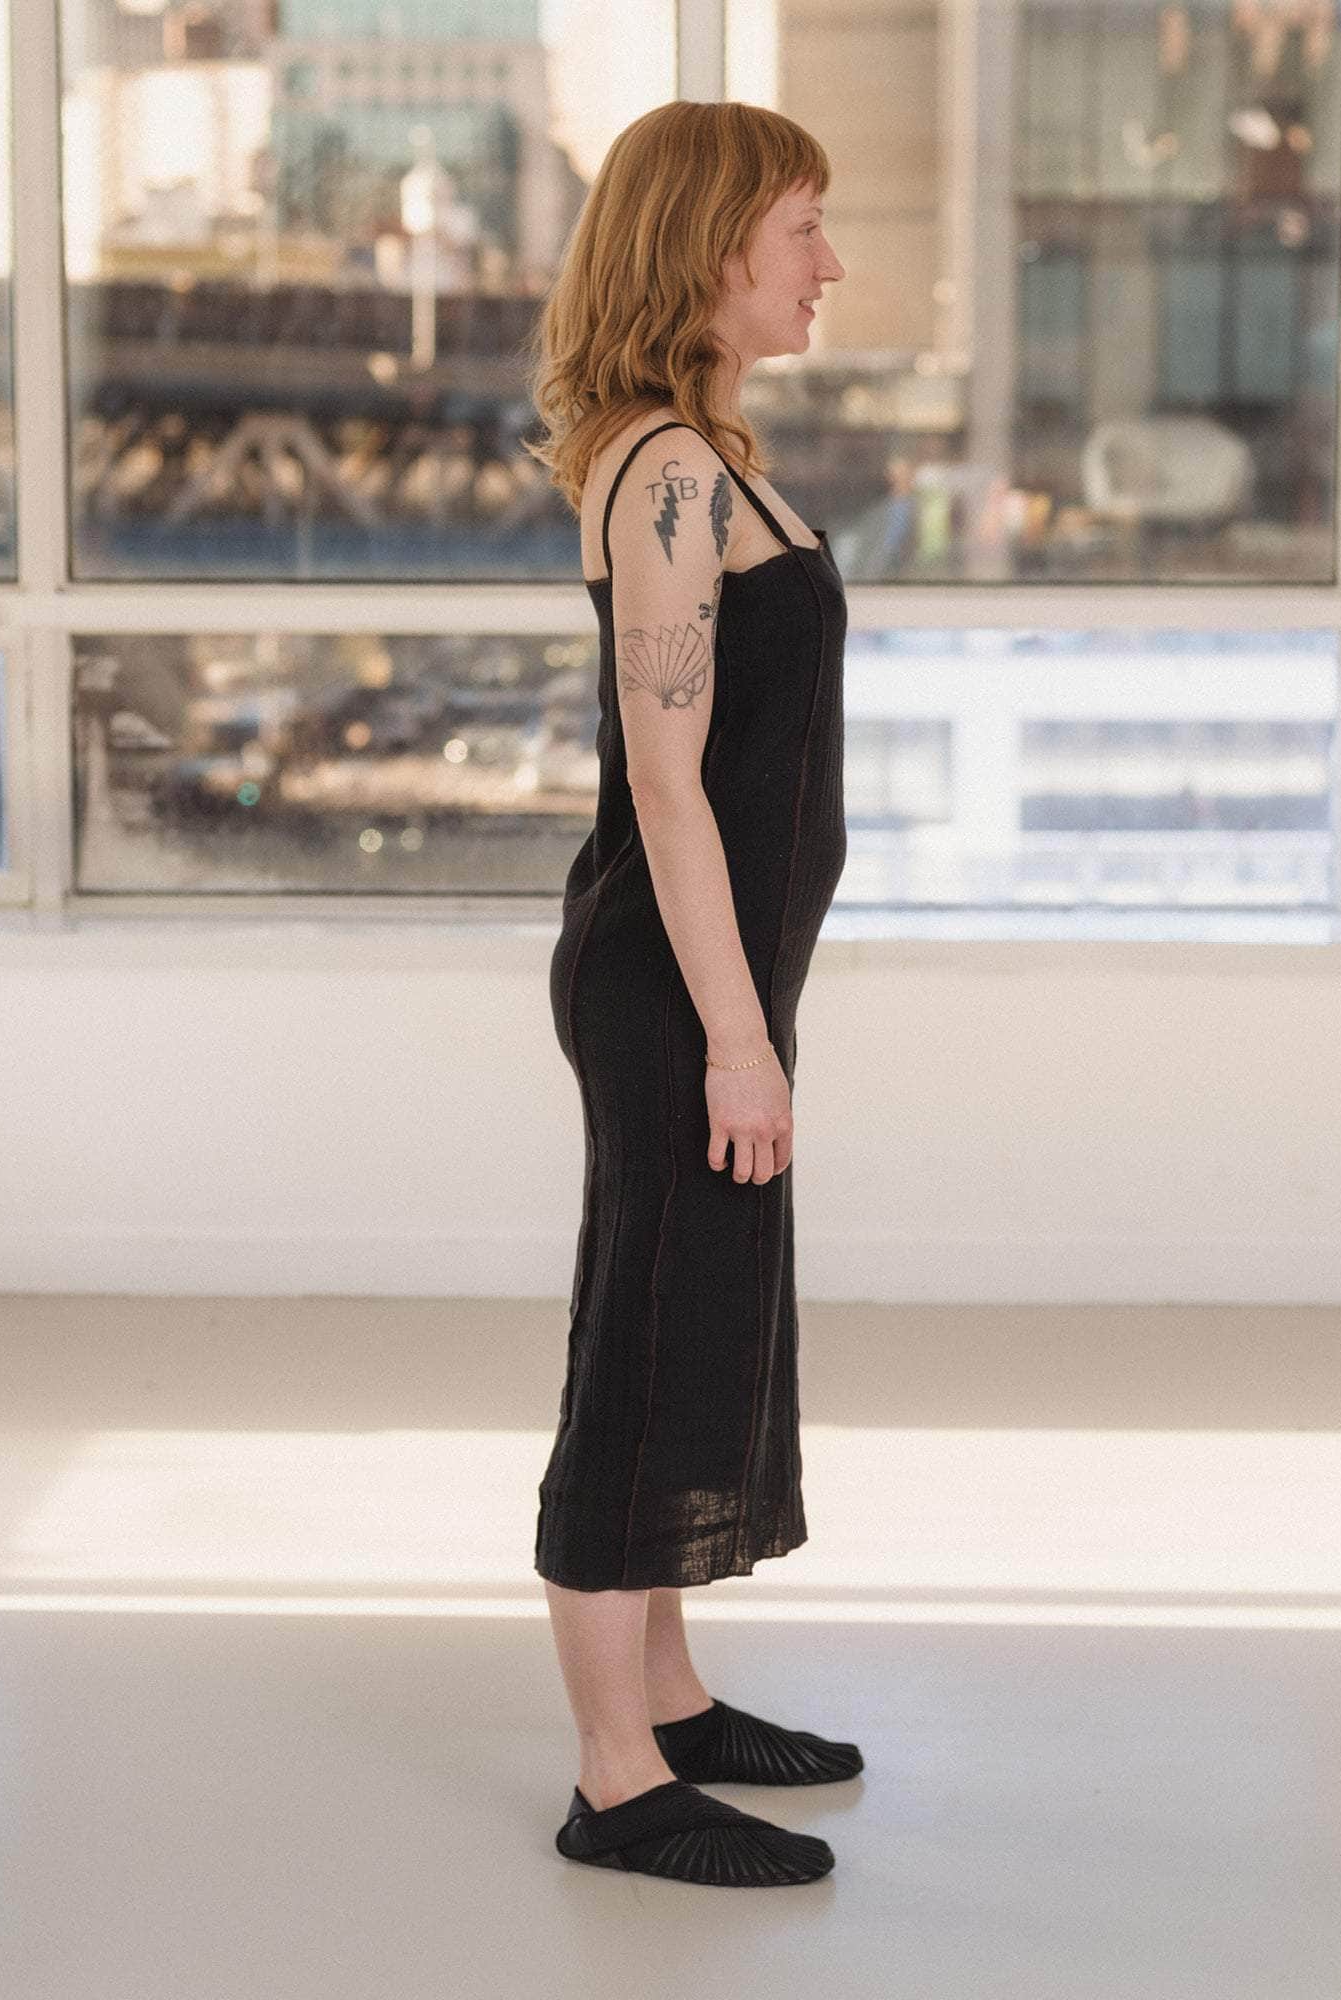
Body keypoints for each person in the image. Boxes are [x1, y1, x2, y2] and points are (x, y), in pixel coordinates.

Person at [522, 101, 861, 1888]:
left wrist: (754, 1015)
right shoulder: (665, 471)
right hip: (674, 987)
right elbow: (667, 787)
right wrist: (734, 1037)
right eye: (802, 226)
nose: (827, 263)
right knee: (647, 1352)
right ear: (713, 242)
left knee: (698, 1329)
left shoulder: (705, 458)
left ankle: (668, 1697)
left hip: (714, 978)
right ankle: (616, 1782)